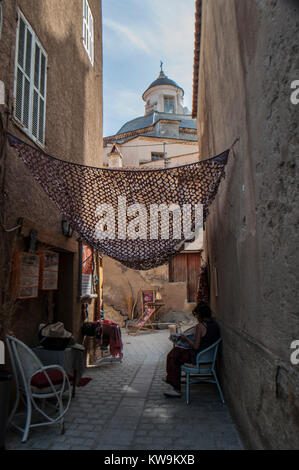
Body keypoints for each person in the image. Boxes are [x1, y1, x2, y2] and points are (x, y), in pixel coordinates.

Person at [164, 302, 220, 397]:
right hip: (208, 356)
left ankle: (176, 388)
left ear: (201, 315)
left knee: (173, 355)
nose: (196, 317)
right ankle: (171, 377)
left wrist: (185, 339)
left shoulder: (200, 326)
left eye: (197, 315)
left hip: (198, 357)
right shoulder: (214, 325)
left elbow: (196, 346)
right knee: (177, 351)